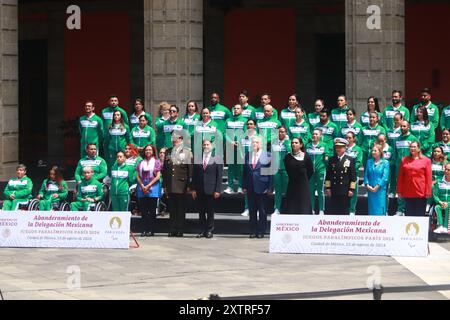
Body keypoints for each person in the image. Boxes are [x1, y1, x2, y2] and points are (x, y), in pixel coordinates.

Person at [163, 133, 193, 237]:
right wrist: (165, 185)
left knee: (180, 208)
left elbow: (190, 169)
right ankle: (172, 229)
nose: (174, 140)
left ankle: (180, 229)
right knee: (172, 209)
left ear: (181, 139)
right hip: (170, 183)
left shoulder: (187, 152)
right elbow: (165, 170)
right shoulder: (168, 151)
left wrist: (190, 185)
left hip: (181, 183)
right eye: (173, 138)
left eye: (176, 138)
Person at [192, 139, 223, 238]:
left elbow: (219, 175)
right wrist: (193, 189)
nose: (206, 146)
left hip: (211, 189)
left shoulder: (217, 158)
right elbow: (194, 175)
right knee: (201, 211)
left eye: (207, 145)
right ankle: (202, 230)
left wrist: (218, 190)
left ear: (211, 146)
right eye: (204, 145)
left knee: (210, 211)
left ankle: (209, 230)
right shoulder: (198, 158)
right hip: (200, 188)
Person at [243, 135, 273, 238]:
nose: (254, 144)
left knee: (262, 211)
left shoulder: (267, 155)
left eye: (256, 142)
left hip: (262, 186)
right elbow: (245, 172)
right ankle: (252, 230)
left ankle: (261, 231)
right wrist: (244, 185)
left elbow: (270, 173)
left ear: (261, 144)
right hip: (250, 186)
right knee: (252, 210)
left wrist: (270, 187)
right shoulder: (248, 155)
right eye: (253, 142)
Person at [397, 141, 432, 216]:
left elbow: (428, 178)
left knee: (419, 216)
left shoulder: (426, 161)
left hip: (420, 192)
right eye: (411, 147)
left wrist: (428, 191)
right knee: (409, 216)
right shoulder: (404, 160)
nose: (412, 148)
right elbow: (400, 177)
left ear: (419, 148)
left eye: (414, 147)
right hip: (408, 192)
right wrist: (399, 191)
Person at [325, 138, 356, 215]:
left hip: (345, 190)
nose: (338, 149)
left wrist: (351, 189)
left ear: (345, 147)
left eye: (340, 147)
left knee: (344, 211)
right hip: (334, 189)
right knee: (334, 210)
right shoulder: (332, 160)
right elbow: (328, 175)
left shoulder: (350, 160)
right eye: (337, 147)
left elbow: (353, 176)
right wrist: (328, 188)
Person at [393, 121, 419, 216]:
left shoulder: (413, 139)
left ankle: (407, 209)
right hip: (399, 168)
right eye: (401, 126)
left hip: (410, 168)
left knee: (409, 188)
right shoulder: (397, 139)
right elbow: (395, 154)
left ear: (408, 127)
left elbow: (417, 154)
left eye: (404, 126)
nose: (402, 128)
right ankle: (400, 209)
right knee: (400, 188)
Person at [283, 137, 314, 214]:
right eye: (292, 143)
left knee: (303, 204)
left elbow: (310, 170)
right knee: (291, 205)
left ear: (301, 145)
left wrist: (304, 179)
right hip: (292, 184)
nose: (294, 144)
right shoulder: (287, 157)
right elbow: (287, 169)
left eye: (296, 143)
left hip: (303, 184)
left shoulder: (306, 156)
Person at [136, 144, 162, 237]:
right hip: (142, 187)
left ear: (153, 151)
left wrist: (149, 185)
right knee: (143, 211)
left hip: (153, 187)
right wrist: (143, 185)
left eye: (150, 150)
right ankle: (144, 229)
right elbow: (138, 175)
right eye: (146, 150)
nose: (148, 151)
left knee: (151, 211)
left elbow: (158, 175)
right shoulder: (141, 162)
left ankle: (151, 230)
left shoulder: (157, 162)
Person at [306, 128, 331, 215]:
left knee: (320, 190)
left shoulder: (324, 145)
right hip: (310, 172)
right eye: (313, 134)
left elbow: (327, 158)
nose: (314, 135)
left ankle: (321, 210)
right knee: (311, 190)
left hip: (320, 171)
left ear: (320, 135)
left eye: (316, 134)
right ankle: (311, 209)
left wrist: (324, 165)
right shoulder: (308, 145)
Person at [224, 104, 247, 194]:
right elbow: (224, 133)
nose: (236, 110)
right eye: (234, 108)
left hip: (241, 146)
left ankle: (240, 187)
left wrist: (239, 142)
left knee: (240, 167)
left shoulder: (245, 121)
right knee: (231, 167)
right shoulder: (228, 120)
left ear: (241, 110)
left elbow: (246, 132)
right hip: (230, 146)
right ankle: (230, 187)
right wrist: (230, 142)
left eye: (238, 108)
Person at [364, 144, 390, 216]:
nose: (373, 152)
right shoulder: (369, 162)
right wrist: (367, 185)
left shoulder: (385, 163)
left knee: (380, 209)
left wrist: (377, 187)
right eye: (372, 150)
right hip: (370, 189)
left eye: (375, 151)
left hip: (380, 190)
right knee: (372, 209)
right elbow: (366, 175)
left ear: (380, 152)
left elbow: (385, 177)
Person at [101, 95, 129, 160]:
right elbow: (102, 125)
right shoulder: (104, 111)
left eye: (115, 101)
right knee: (108, 157)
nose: (113, 102)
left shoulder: (122, 112)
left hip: (119, 139)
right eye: (112, 101)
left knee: (121, 158)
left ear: (118, 102)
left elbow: (126, 125)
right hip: (107, 138)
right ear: (109, 102)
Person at [240, 119, 258, 217]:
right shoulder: (243, 137)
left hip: (256, 165)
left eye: (251, 124)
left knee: (258, 188)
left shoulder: (259, 137)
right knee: (247, 188)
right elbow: (240, 150)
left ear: (255, 126)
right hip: (246, 165)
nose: (249, 126)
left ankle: (257, 209)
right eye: (248, 124)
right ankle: (247, 208)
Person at [272, 126, 291, 214]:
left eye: (283, 132)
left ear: (286, 133)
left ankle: (288, 208)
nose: (281, 133)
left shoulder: (290, 142)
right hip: (276, 170)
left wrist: (286, 142)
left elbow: (290, 153)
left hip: (286, 170)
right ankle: (277, 208)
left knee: (288, 190)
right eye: (279, 132)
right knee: (278, 190)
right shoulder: (274, 142)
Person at [345, 131, 363, 215]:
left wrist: (350, 169)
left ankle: (352, 210)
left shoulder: (358, 149)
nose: (348, 139)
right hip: (343, 174)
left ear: (354, 139)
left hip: (353, 175)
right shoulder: (343, 148)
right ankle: (345, 209)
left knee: (353, 192)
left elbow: (359, 162)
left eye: (350, 138)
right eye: (347, 137)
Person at [431, 163, 450, 234]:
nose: (446, 171)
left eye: (449, 170)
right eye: (446, 169)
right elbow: (435, 194)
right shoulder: (438, 182)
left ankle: (445, 227)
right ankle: (440, 226)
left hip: (449, 203)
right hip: (441, 203)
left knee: (448, 206)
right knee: (437, 207)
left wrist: (447, 203)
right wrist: (440, 202)